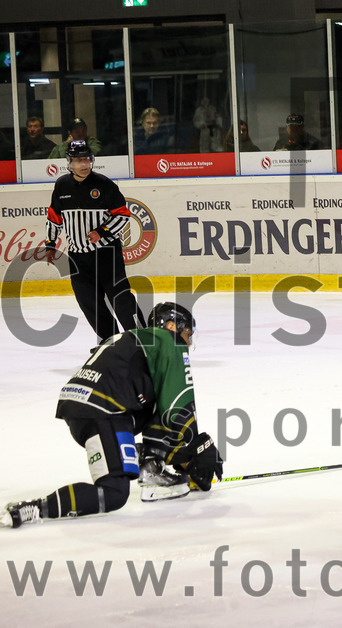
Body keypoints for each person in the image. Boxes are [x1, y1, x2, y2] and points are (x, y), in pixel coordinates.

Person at [1, 303, 224, 529]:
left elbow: (163, 407)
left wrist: (184, 456)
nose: (188, 342)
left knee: (155, 399)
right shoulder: (170, 341)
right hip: (104, 411)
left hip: (86, 406)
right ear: (170, 326)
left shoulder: (133, 338)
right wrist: (197, 447)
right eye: (187, 334)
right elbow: (178, 405)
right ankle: (35, 508)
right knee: (114, 493)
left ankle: (150, 467)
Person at [44, 140, 146, 343]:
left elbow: (123, 216)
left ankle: (143, 339)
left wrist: (102, 231)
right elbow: (54, 216)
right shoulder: (62, 185)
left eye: (87, 159)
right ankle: (110, 342)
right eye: (79, 160)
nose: (84, 164)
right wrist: (50, 244)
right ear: (69, 162)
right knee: (89, 303)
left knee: (121, 299)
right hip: (77, 258)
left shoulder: (105, 185)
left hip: (106, 253)